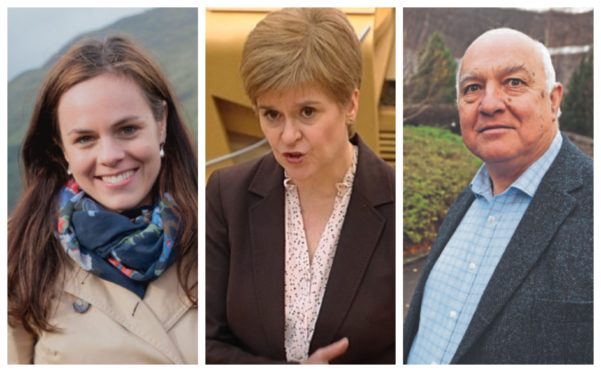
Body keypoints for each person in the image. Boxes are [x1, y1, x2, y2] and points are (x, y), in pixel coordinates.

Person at [206, 8, 395, 364]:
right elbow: (206, 344)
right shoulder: (225, 195)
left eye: (307, 112)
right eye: (271, 114)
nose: (288, 136)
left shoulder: (397, 201)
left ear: (350, 103)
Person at [404, 28, 593, 364]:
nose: (489, 104)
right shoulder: (469, 198)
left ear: (553, 100)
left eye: (514, 83)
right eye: (473, 88)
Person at [8, 36, 198, 364]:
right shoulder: (17, 252)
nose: (109, 156)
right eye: (85, 139)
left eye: (127, 130)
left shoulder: (220, 227)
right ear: (61, 147)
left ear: (161, 123)